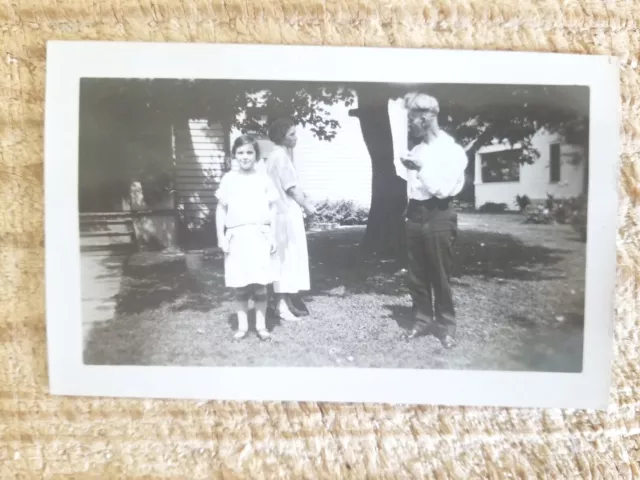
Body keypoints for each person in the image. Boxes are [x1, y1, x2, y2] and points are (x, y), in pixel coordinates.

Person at [397, 92, 468, 349]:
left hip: (439, 213)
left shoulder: (452, 151)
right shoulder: (417, 149)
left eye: (412, 119)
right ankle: (422, 320)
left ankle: (446, 326)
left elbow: (443, 189)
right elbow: (413, 186)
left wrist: (420, 169)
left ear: (425, 119)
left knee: (439, 273)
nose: (410, 125)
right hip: (415, 213)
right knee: (416, 273)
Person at [216, 135, 279, 341]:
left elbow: (273, 210)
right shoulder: (229, 179)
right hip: (237, 236)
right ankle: (243, 326)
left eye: (249, 152)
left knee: (260, 283)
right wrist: (220, 237)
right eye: (241, 152)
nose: (245, 157)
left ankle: (261, 326)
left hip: (260, 234)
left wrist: (273, 237)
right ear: (234, 154)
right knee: (240, 283)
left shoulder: (264, 179)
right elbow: (221, 210)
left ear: (256, 155)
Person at [265, 117, 316, 321]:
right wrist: (309, 207)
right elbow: (292, 189)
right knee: (284, 260)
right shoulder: (280, 157)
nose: (296, 138)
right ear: (281, 138)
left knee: (287, 260)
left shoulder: (277, 156)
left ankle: (284, 302)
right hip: (284, 215)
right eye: (292, 134)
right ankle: (280, 306)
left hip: (283, 213)